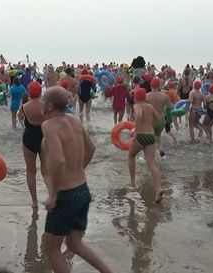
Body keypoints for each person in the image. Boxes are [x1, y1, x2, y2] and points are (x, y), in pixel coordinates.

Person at [40, 87, 113, 273]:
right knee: (74, 244)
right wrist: (78, 170)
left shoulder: (48, 126)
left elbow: (58, 160)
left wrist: (54, 194)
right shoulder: (74, 121)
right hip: (82, 190)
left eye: (43, 101)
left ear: (49, 106)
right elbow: (91, 149)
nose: (40, 103)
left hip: (65, 195)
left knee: (51, 248)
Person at [128, 88, 164, 203]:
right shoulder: (150, 106)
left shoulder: (136, 106)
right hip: (151, 136)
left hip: (140, 136)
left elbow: (138, 115)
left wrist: (136, 131)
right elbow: (157, 118)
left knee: (131, 157)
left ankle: (133, 183)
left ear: (135, 97)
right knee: (151, 163)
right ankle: (158, 188)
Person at [17, 81, 46, 208]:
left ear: (29, 92)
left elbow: (20, 118)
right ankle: (52, 196)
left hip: (29, 139)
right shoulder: (47, 105)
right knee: (46, 171)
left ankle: (34, 201)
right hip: (45, 139)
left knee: (31, 171)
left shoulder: (24, 107)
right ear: (40, 92)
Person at [147, 77, 170, 156]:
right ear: (159, 86)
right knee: (159, 134)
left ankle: (152, 152)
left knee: (151, 136)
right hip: (161, 120)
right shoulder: (164, 96)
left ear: (151, 86)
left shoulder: (147, 96)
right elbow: (170, 107)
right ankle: (160, 149)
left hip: (151, 119)